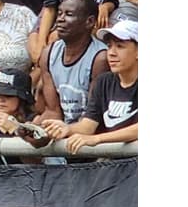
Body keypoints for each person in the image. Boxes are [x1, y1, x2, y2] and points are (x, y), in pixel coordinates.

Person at [41, 20, 138, 153]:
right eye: (109, 46)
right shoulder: (104, 81)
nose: (111, 53)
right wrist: (67, 129)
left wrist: (97, 139)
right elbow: (88, 125)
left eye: (120, 46)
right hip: (114, 164)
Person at [37, 0, 110, 125]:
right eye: (59, 13)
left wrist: (66, 131)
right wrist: (34, 130)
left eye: (69, 14)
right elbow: (53, 112)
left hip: (90, 129)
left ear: (90, 21)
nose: (60, 19)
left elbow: (93, 115)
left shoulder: (100, 58)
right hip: (63, 127)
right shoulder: (48, 53)